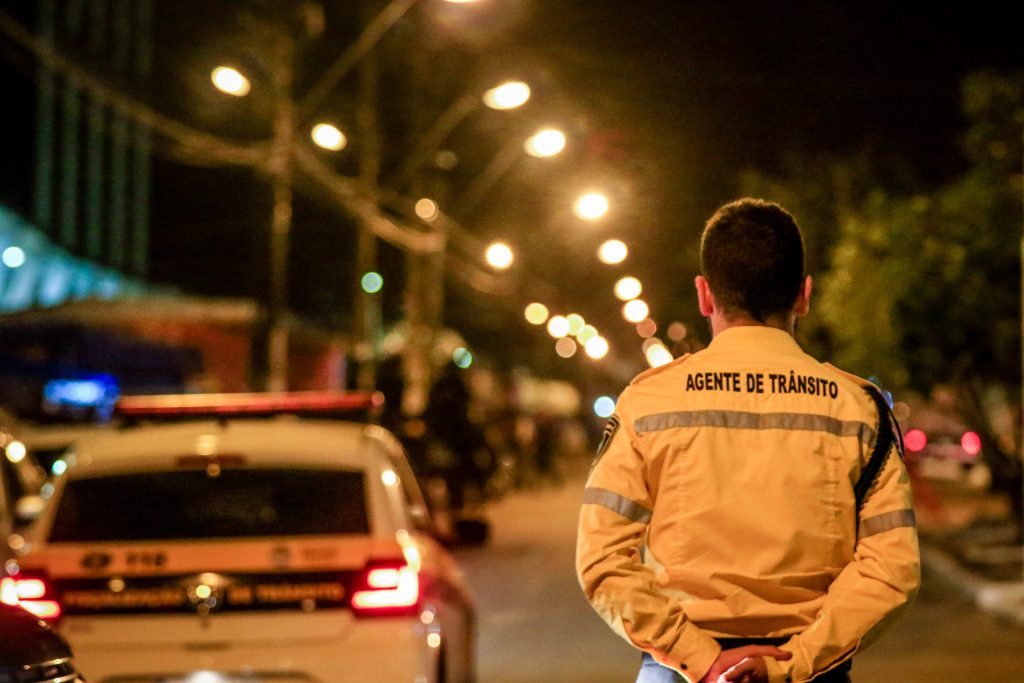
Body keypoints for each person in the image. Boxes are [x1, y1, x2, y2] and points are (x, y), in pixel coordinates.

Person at [576, 198, 920, 683]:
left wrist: (700, 658)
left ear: (704, 295)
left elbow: (603, 562)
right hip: (811, 674)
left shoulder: (647, 403)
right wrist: (795, 662)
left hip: (678, 673)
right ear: (804, 295)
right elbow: (891, 570)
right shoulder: (859, 409)